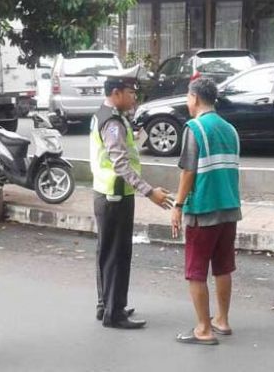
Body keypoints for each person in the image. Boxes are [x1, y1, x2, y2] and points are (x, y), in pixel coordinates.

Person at [90, 68, 173, 329]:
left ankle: (106, 304)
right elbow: (121, 165)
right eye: (130, 92)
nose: (134, 97)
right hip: (116, 195)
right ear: (115, 94)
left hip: (106, 194)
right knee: (117, 253)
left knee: (106, 251)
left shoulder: (107, 115)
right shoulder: (112, 122)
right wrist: (151, 193)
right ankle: (115, 313)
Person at [171, 78, 242, 346]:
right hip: (229, 208)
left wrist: (178, 205)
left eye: (188, 98)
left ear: (195, 98)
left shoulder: (195, 128)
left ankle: (203, 328)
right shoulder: (230, 129)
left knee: (196, 270)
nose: (187, 102)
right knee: (223, 267)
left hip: (203, 209)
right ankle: (222, 320)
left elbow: (189, 171)